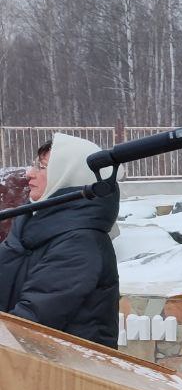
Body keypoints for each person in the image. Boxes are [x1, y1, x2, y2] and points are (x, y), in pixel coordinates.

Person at [0, 133, 119, 348]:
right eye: (34, 165)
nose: (29, 173)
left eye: (42, 167)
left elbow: (32, 321)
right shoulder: (30, 223)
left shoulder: (80, 242)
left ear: (68, 177)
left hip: (64, 365)